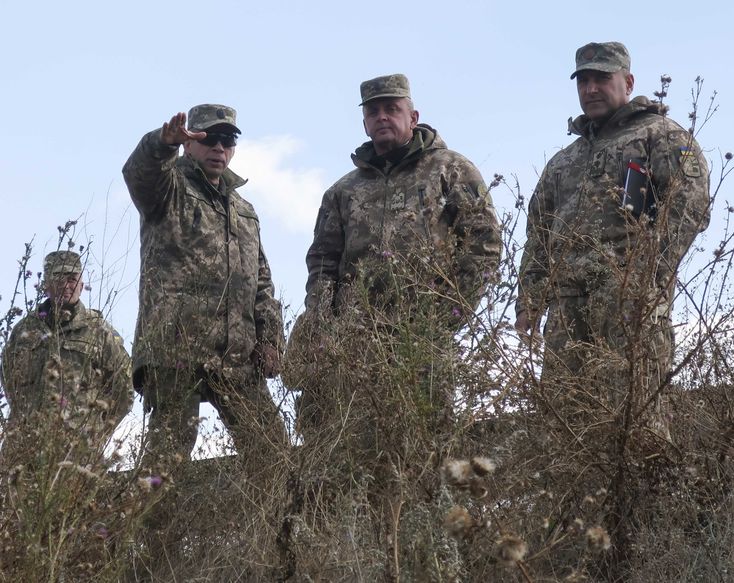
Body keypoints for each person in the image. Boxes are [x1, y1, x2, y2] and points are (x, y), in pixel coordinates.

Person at [287, 73, 501, 443]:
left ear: (413, 117)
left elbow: (484, 245)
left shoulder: (451, 169)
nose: (383, 117)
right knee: (351, 446)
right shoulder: (343, 191)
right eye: (374, 111)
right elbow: (322, 263)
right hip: (354, 344)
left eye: (392, 109)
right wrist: (324, 325)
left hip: (423, 337)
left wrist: (448, 315)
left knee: (426, 439)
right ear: (365, 122)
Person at [515, 42, 710, 441]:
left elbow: (690, 204)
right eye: (583, 81)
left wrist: (646, 274)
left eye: (602, 78)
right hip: (568, 310)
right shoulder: (563, 161)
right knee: (564, 423)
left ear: (628, 81)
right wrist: (530, 302)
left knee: (635, 419)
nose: (591, 89)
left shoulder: (659, 135)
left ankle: (641, 500)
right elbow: (539, 232)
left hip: (628, 301)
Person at [122, 104, 286, 475]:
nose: (219, 147)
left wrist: (271, 339)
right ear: (190, 143)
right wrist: (160, 144)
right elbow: (140, 175)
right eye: (209, 138)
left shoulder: (244, 211)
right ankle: (146, 532)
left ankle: (275, 533)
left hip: (236, 355)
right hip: (176, 351)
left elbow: (261, 281)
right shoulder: (168, 188)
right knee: (165, 465)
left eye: (227, 140)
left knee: (273, 455)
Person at [1, 250, 132, 451]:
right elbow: (9, 380)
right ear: (46, 284)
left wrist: (97, 434)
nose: (66, 285)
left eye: (72, 279)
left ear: (81, 284)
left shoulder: (99, 331)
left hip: (76, 450)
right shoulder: (24, 330)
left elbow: (124, 389)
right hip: (23, 446)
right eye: (58, 278)